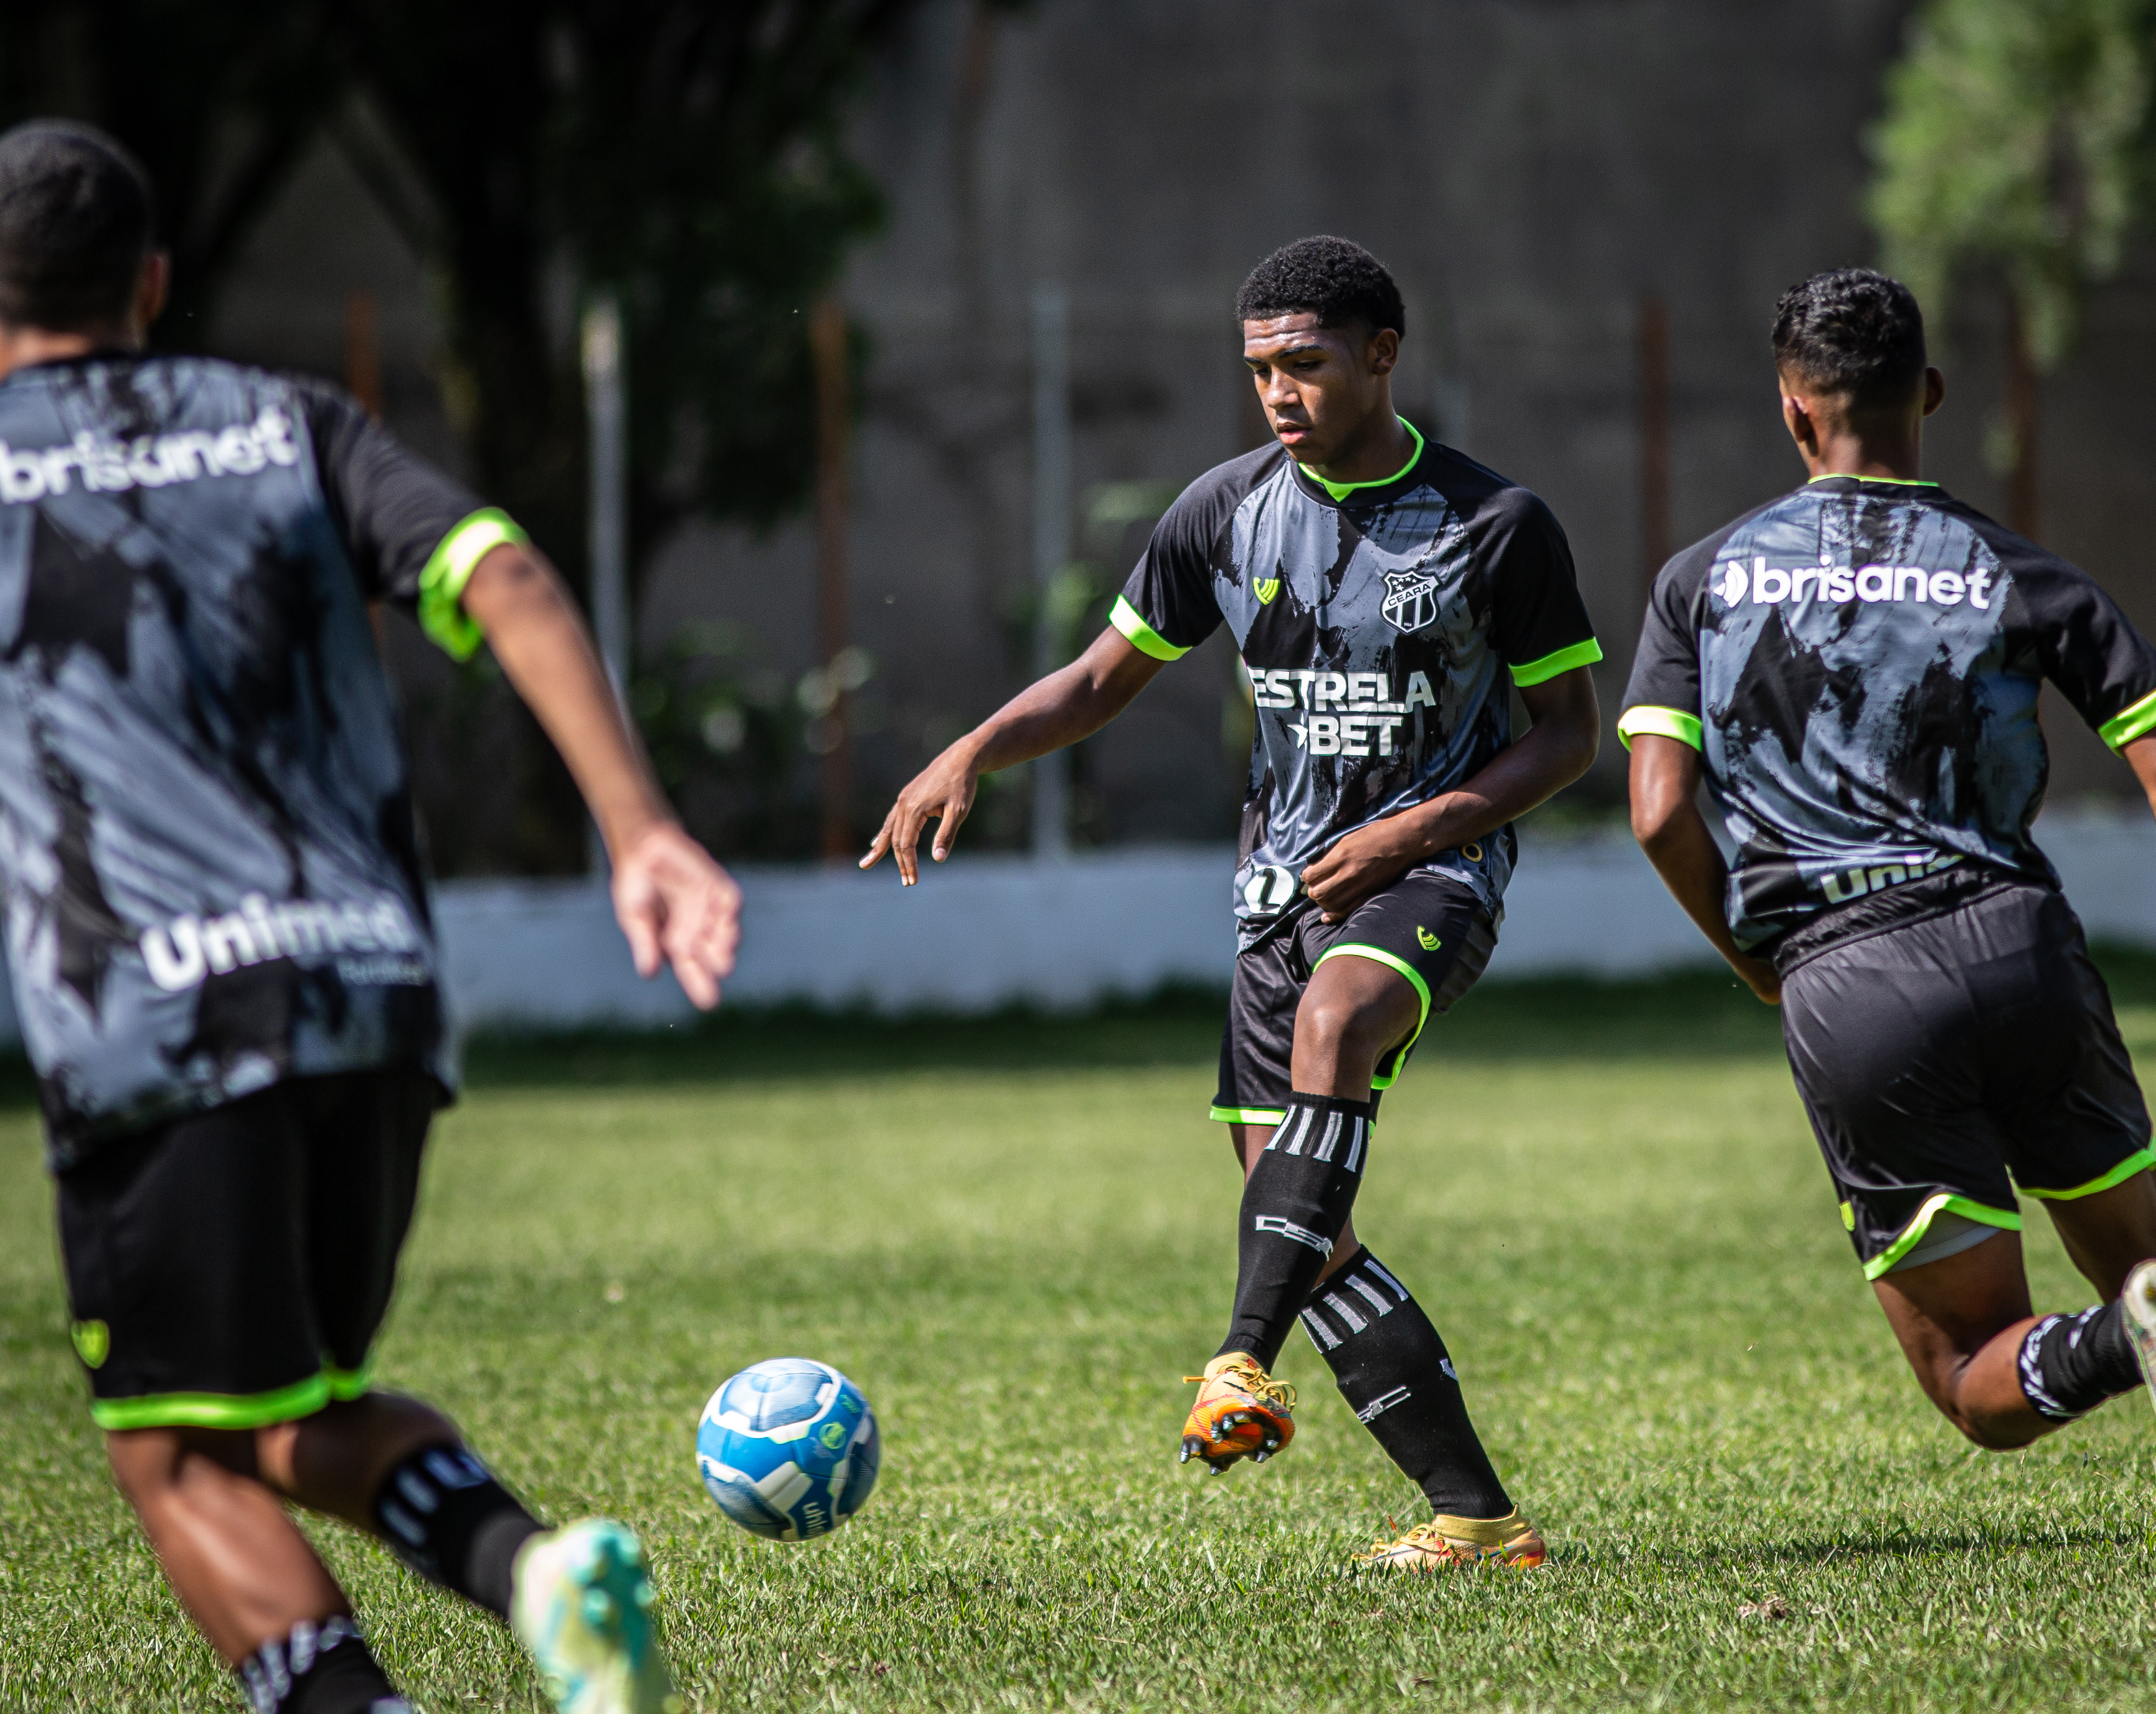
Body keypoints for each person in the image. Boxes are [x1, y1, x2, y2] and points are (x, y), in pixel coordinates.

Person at [1, 123, 742, 1714]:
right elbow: (504, 577)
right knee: (281, 1413)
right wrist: (644, 830)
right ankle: (527, 1572)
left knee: (171, 1458)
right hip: (372, 997)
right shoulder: (283, 420)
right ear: (151, 281)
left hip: (158, 1021)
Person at [1619, 267, 2156, 1646]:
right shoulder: (2020, 568)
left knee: (1975, 1379)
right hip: (2023, 950)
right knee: (2151, 1253)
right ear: (1927, 395)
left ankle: (2116, 1346)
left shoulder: (1700, 580)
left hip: (1851, 979)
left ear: (1795, 412)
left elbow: (1660, 812)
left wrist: (1757, 955)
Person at [865, 236, 1600, 1570]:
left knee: (1340, 1025)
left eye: (1303, 365)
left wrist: (1423, 829)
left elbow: (1565, 737)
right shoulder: (1221, 510)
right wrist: (968, 749)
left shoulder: (1497, 525)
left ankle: (1237, 1361)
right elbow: (1101, 679)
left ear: (1382, 356)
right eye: (1258, 367)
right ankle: (1476, 1520)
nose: (1276, 392)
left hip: (1433, 869)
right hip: (1280, 891)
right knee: (1298, 1221)